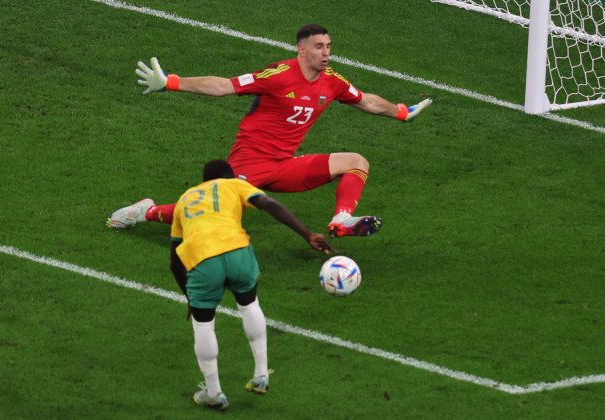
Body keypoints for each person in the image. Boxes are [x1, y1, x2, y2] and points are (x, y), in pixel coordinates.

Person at [107, 24, 432, 237]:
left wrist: (401, 112)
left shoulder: (332, 81)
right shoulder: (278, 75)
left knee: (356, 161)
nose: (326, 53)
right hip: (249, 163)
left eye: (329, 46)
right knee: (206, 216)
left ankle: (341, 220)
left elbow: (367, 102)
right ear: (301, 50)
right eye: (319, 47)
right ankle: (145, 212)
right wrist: (170, 83)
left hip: (284, 164)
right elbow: (224, 86)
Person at [170, 159, 332, 411]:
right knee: (248, 304)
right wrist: (307, 234)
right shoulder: (234, 185)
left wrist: (190, 298)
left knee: (203, 324)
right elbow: (268, 203)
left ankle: (214, 393)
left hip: (202, 258)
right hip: (237, 250)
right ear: (231, 175)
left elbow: (174, 259)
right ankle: (261, 375)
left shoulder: (184, 199)